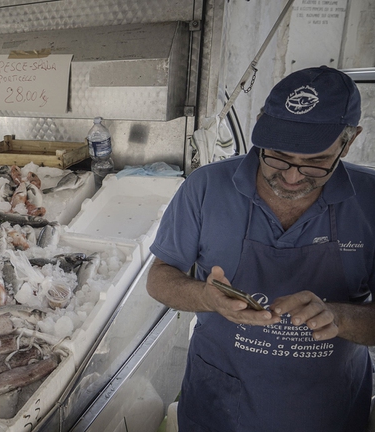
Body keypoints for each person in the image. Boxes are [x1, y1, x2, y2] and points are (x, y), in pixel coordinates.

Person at [147, 65, 375, 431]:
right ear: (261, 128)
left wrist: (338, 317)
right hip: (218, 405)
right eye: (278, 156)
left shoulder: (370, 201)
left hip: (327, 410)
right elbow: (159, 277)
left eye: (315, 161)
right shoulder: (206, 188)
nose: (292, 176)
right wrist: (207, 298)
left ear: (349, 141)